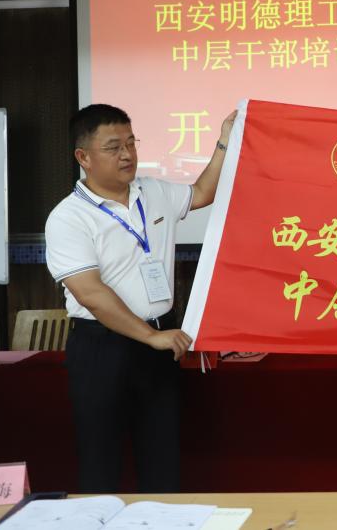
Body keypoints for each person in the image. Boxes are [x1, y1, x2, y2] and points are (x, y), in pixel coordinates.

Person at [44, 104, 235, 493]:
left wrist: (223, 143)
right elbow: (91, 293)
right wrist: (149, 336)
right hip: (103, 347)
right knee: (101, 463)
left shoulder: (154, 191)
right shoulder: (69, 218)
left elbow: (202, 192)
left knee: (162, 459)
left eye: (131, 143)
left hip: (160, 344)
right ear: (83, 157)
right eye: (113, 147)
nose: (127, 154)